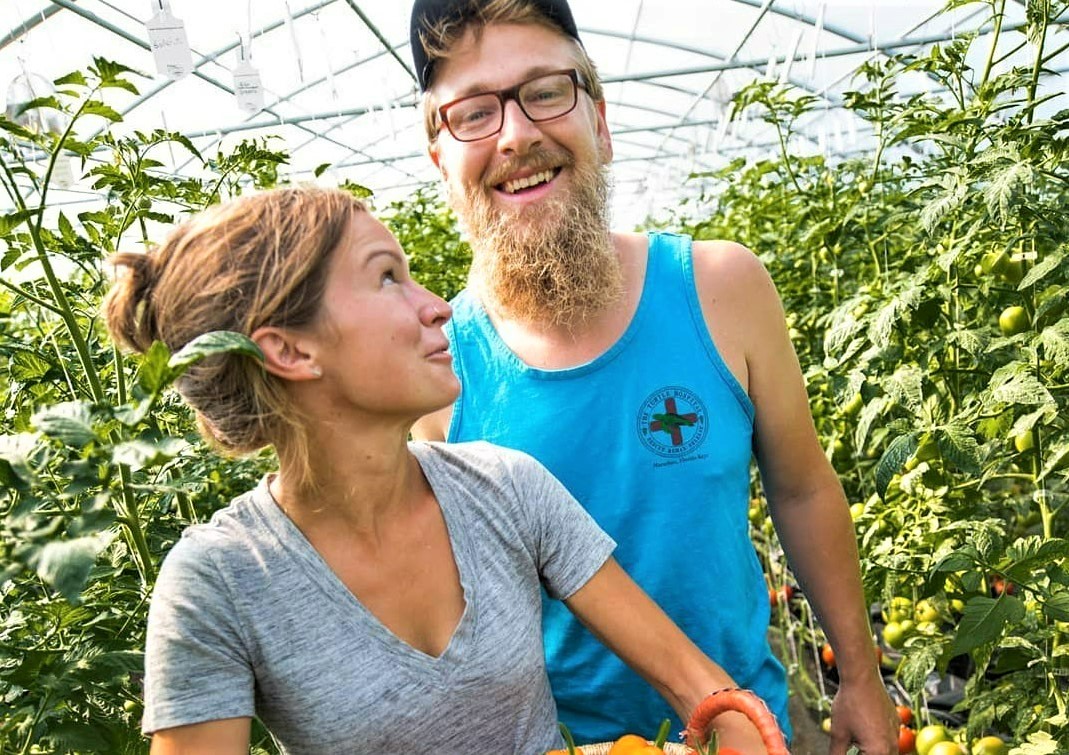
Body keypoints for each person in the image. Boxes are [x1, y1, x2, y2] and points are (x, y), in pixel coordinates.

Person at [103, 186, 777, 754]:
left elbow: (700, 685)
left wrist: (739, 722)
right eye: (387, 276)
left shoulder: (505, 488)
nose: (438, 305)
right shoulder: (219, 582)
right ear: (290, 349)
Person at [407, 0, 899, 752]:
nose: (516, 135)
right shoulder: (439, 371)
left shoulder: (720, 287)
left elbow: (800, 486)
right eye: (473, 113)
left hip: (749, 732)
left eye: (544, 92)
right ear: (439, 155)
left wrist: (859, 675)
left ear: (599, 120)